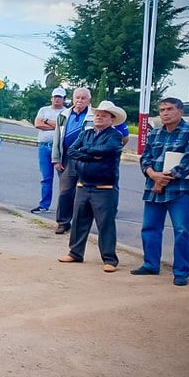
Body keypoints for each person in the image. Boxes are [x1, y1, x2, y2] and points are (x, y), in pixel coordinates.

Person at [131, 98, 189, 286]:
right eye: (162, 109)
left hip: (180, 190)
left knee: (181, 230)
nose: (165, 113)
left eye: (170, 109)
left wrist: (163, 179)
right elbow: (145, 158)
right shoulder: (155, 133)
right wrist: (152, 174)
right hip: (153, 187)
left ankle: (181, 271)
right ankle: (150, 264)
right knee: (150, 227)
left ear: (180, 111)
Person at [57, 101, 126, 272]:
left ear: (111, 119)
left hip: (104, 187)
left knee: (105, 224)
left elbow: (107, 150)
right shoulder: (85, 133)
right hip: (83, 184)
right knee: (79, 221)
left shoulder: (115, 136)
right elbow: (71, 151)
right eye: (97, 114)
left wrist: (85, 153)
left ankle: (109, 259)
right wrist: (91, 155)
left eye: (104, 115)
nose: (99, 117)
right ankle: (75, 253)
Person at [51, 87, 94, 234]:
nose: (80, 101)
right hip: (67, 158)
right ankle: (63, 222)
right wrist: (56, 159)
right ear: (73, 98)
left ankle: (79, 225)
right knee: (65, 192)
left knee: (82, 193)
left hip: (86, 159)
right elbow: (57, 138)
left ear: (89, 100)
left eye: (83, 98)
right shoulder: (63, 115)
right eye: (77, 98)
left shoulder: (93, 116)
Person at [31, 87, 66, 213]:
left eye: (60, 97)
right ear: (51, 98)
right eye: (55, 96)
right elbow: (37, 124)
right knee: (46, 177)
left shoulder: (66, 112)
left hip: (59, 148)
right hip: (44, 146)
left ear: (64, 99)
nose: (57, 99)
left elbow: (62, 128)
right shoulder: (43, 110)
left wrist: (47, 122)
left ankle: (64, 207)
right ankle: (44, 205)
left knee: (64, 178)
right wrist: (53, 124)